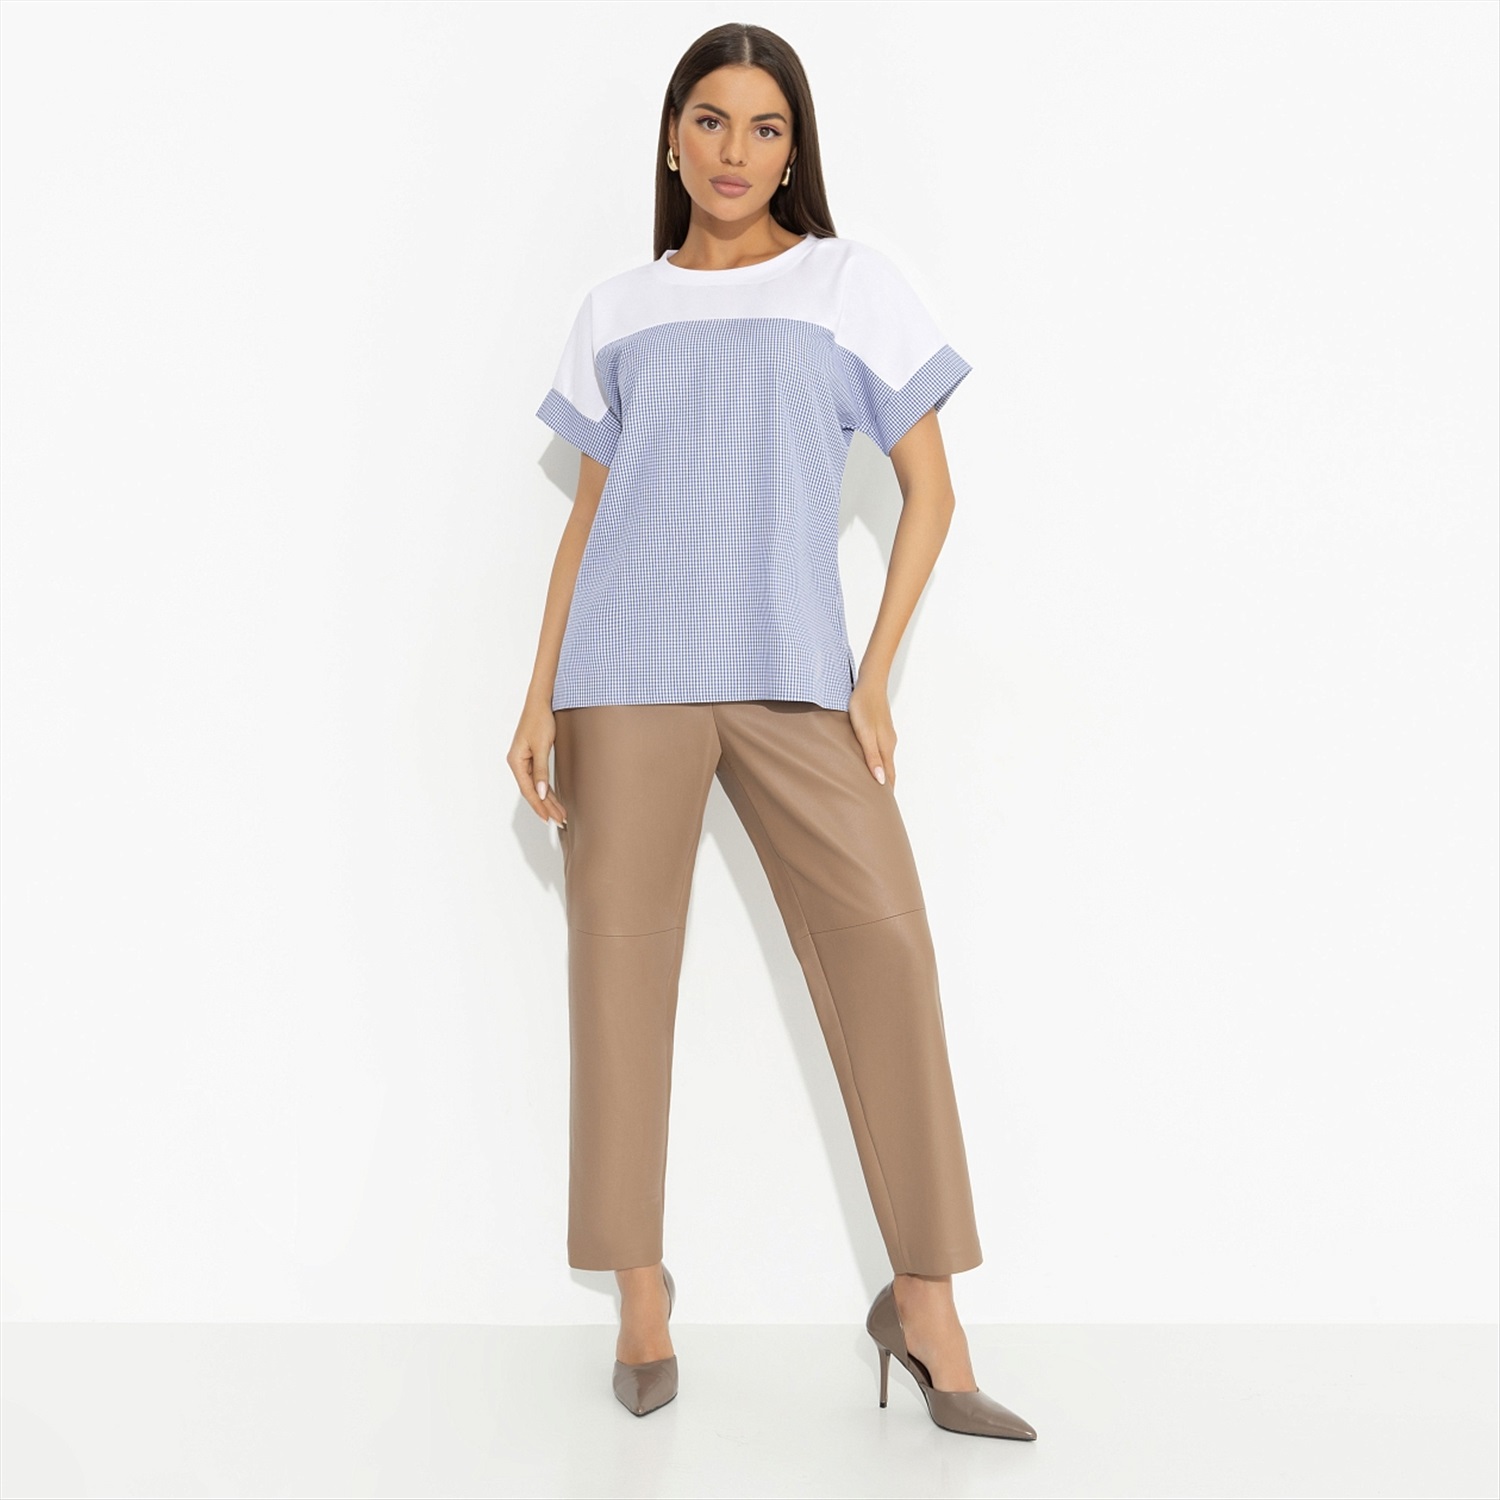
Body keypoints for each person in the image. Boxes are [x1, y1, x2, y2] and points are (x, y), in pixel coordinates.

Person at [508, 21, 1036, 1441]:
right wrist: (539, 692)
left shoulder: (850, 284)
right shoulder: (617, 308)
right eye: (710, 120)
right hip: (626, 676)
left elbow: (931, 492)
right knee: (618, 978)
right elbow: (589, 519)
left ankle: (925, 1304)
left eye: (765, 126)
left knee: (888, 952)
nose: (734, 151)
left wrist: (874, 678)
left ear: (796, 148)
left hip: (795, 679)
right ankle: (639, 1294)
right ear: (672, 136)